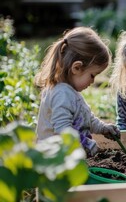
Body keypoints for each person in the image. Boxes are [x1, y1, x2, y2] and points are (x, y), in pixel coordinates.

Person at [35, 27, 120, 157]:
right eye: (92, 75)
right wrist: (88, 146)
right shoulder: (61, 94)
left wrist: (103, 128)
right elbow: (64, 133)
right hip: (54, 160)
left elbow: (85, 119)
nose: (93, 81)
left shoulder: (69, 92)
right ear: (77, 68)